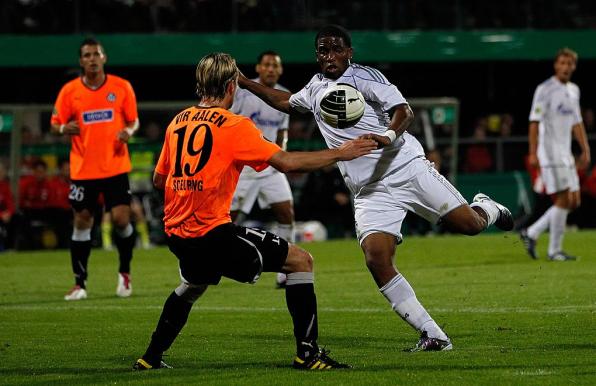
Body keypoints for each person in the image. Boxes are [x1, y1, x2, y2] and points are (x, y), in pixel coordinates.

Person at [238, 25, 514, 351]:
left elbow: (404, 111)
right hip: (369, 189)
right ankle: (433, 334)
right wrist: (243, 81)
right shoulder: (314, 88)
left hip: (405, 166)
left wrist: (388, 136)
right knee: (376, 258)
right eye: (324, 51)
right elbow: (285, 102)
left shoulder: (366, 78)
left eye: (337, 49)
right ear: (317, 56)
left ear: (349, 52)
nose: (330, 56)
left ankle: (488, 206)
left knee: (470, 225)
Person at [133, 53, 377, 371]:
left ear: (200, 86)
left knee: (192, 286)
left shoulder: (178, 121)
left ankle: (150, 357)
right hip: (212, 233)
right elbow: (287, 163)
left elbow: (158, 179)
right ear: (233, 85)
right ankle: (307, 354)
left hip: (177, 234)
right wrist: (341, 153)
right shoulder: (235, 126)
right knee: (301, 261)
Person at [50, 37, 139, 300]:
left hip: (115, 167)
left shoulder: (121, 87)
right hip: (83, 170)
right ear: (81, 61)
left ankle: (124, 273)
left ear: (104, 58)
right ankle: (80, 283)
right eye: (87, 55)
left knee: (122, 220)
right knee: (82, 221)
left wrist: (127, 131)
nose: (92, 59)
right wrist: (64, 128)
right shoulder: (69, 92)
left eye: (96, 54)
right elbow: (55, 124)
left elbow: (134, 121)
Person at [230, 50, 294, 288]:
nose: (271, 69)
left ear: (280, 69)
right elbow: (229, 121)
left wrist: (281, 151)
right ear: (257, 68)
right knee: (229, 219)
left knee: (286, 213)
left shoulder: (283, 95)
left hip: (270, 165)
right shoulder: (242, 92)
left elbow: (282, 130)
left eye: (275, 65)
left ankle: (284, 271)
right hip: (244, 167)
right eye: (267, 65)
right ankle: (217, 258)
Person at [520, 48, 591, 261]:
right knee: (563, 198)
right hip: (550, 152)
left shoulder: (574, 90)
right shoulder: (545, 89)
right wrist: (533, 153)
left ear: (574, 67)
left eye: (570, 64)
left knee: (574, 201)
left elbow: (576, 122)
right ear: (556, 65)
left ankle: (531, 233)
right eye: (562, 63)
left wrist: (585, 148)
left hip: (566, 153)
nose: (566, 67)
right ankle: (554, 251)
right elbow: (534, 122)